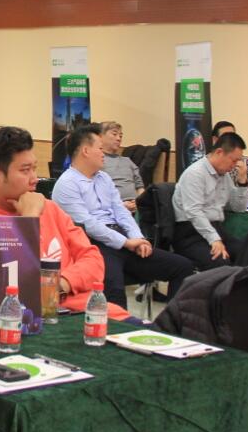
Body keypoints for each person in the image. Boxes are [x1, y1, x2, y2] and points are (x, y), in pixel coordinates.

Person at [0, 126, 132, 319]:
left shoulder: (49, 208)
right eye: (25, 170)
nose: (35, 179)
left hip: (92, 312)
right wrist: (29, 218)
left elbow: (93, 260)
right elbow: (16, 294)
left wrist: (60, 285)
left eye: (34, 168)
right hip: (31, 324)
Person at [53, 125, 194, 307]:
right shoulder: (66, 184)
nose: (103, 154)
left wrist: (138, 239)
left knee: (182, 267)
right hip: (94, 245)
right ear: (86, 151)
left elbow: (121, 211)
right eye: (100, 149)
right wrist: (126, 242)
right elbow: (89, 225)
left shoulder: (104, 178)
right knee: (114, 290)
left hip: (122, 239)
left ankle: (172, 321)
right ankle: (118, 324)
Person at [171, 132, 248, 270]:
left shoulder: (224, 176)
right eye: (233, 160)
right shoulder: (195, 174)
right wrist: (214, 239)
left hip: (216, 229)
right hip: (190, 233)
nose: (235, 165)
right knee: (221, 262)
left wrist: (242, 182)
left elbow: (238, 208)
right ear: (219, 152)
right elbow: (194, 212)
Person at [97, 121, 145, 213]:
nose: (119, 138)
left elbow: (140, 187)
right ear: (100, 137)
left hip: (136, 209)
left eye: (121, 136)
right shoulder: (96, 160)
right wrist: (119, 206)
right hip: (109, 209)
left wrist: (139, 203)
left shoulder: (127, 161)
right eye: (114, 134)